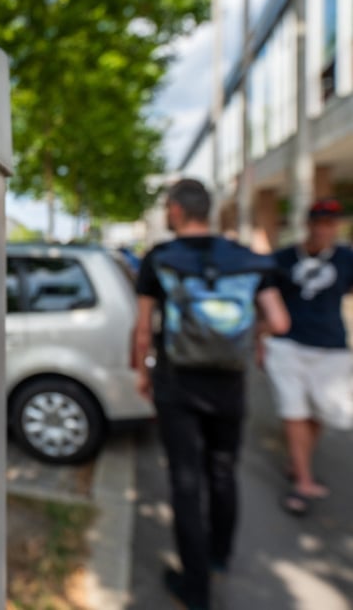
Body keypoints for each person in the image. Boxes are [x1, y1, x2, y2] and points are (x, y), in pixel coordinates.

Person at [133, 179, 290, 610]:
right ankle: (219, 557)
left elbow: (144, 329)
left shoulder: (160, 258)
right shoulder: (247, 258)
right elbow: (279, 320)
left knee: (186, 482)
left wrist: (142, 374)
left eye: (167, 207)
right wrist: (247, 335)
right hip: (230, 384)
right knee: (223, 471)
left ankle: (195, 589)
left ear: (177, 211)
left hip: (177, 383)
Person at [260, 198, 353, 516]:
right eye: (320, 222)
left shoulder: (346, 258)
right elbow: (265, 301)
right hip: (287, 345)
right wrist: (262, 338)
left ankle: (298, 461)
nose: (325, 229)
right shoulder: (281, 259)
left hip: (331, 347)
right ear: (309, 224)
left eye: (331, 223)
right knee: (293, 411)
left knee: (320, 413)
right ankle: (303, 480)